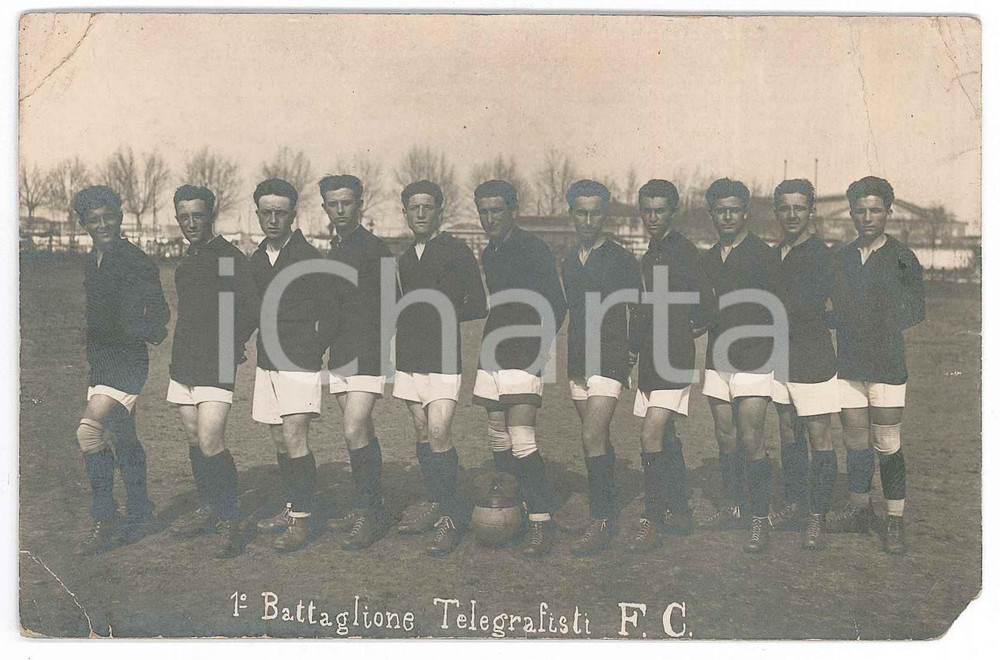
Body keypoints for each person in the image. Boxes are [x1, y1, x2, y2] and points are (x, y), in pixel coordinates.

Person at [827, 176, 925, 554]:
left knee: (886, 443)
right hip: (849, 364)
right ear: (851, 213)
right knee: (855, 442)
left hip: (885, 364)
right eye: (860, 210)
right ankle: (859, 509)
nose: (867, 217)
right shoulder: (842, 257)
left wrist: (870, 317)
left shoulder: (902, 256)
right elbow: (831, 309)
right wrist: (838, 317)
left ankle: (894, 519)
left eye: (875, 210)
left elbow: (915, 310)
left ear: (888, 212)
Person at [472, 179, 568, 558]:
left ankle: (541, 520)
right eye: (484, 211)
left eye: (497, 210)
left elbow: (557, 306)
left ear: (513, 210)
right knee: (497, 434)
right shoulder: (489, 253)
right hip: (492, 348)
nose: (491, 217)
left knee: (522, 435)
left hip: (525, 352)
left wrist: (538, 349)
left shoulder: (534, 248)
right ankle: (512, 510)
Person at [72, 185, 170, 555]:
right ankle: (141, 508)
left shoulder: (136, 259)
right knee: (123, 437)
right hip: (100, 362)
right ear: (83, 224)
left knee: (88, 433)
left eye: (108, 217)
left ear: (120, 217)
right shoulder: (89, 261)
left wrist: (135, 332)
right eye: (94, 220)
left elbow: (159, 315)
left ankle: (105, 516)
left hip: (126, 362)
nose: (103, 225)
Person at [392, 180, 488, 555]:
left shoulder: (456, 251)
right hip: (410, 357)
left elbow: (478, 304)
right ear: (405, 212)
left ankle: (451, 516)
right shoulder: (403, 258)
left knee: (438, 430)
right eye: (413, 207)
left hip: (444, 358)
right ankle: (436, 501)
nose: (420, 214)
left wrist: (442, 316)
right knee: (421, 430)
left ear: (438, 211)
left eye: (427, 207)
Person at [166, 184, 259, 559]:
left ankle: (231, 517)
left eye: (197, 215)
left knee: (210, 440)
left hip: (216, 363)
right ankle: (209, 506)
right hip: (184, 362)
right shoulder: (187, 262)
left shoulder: (227, 257)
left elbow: (250, 309)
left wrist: (231, 345)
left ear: (211, 215)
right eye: (183, 217)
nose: (190, 223)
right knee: (193, 439)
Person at [627, 179, 716, 553]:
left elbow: (708, 305)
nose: (652, 217)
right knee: (665, 437)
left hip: (673, 358)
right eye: (646, 210)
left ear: (673, 211)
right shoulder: (649, 254)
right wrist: (634, 350)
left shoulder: (684, 252)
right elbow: (644, 311)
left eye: (659, 210)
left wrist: (688, 328)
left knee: (649, 435)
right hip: (650, 358)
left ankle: (651, 516)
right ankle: (679, 509)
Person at [250, 178, 339, 553]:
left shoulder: (309, 259)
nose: (273, 220)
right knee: (277, 436)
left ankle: (303, 521)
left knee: (294, 436)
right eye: (266, 213)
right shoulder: (257, 258)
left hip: (298, 361)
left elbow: (333, 313)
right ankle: (292, 507)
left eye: (280, 213)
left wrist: (310, 349)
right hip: (267, 360)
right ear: (258, 214)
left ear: (293, 215)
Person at [559, 179, 642, 556]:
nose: (588, 220)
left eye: (596, 213)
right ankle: (605, 500)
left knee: (591, 437)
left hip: (609, 358)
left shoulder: (621, 258)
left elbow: (638, 307)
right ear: (571, 213)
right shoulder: (567, 259)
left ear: (605, 215)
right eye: (581, 212)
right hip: (577, 358)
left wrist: (633, 350)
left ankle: (602, 519)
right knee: (598, 441)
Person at [700, 177, 782, 553]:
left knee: (752, 437)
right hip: (718, 358)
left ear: (745, 212)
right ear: (712, 213)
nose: (727, 216)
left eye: (734, 209)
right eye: (720, 210)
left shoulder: (764, 255)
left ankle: (759, 518)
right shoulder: (708, 258)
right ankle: (733, 506)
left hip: (754, 358)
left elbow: (777, 310)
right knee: (725, 435)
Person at [320, 174, 396, 550]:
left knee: (353, 429)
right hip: (339, 355)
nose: (340, 210)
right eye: (333, 204)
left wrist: (377, 351)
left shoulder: (376, 249)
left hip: (367, 355)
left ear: (360, 205)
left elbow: (391, 305)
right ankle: (369, 503)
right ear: (324, 208)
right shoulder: (332, 250)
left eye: (347, 203)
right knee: (361, 431)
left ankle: (369, 513)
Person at [767, 179, 840, 550]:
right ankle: (795, 504)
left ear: (811, 210)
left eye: (799, 207)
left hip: (813, 356)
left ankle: (817, 515)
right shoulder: (774, 252)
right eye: (785, 208)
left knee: (817, 434)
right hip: (780, 357)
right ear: (776, 211)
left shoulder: (822, 254)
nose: (792, 215)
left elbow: (825, 307)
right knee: (786, 429)